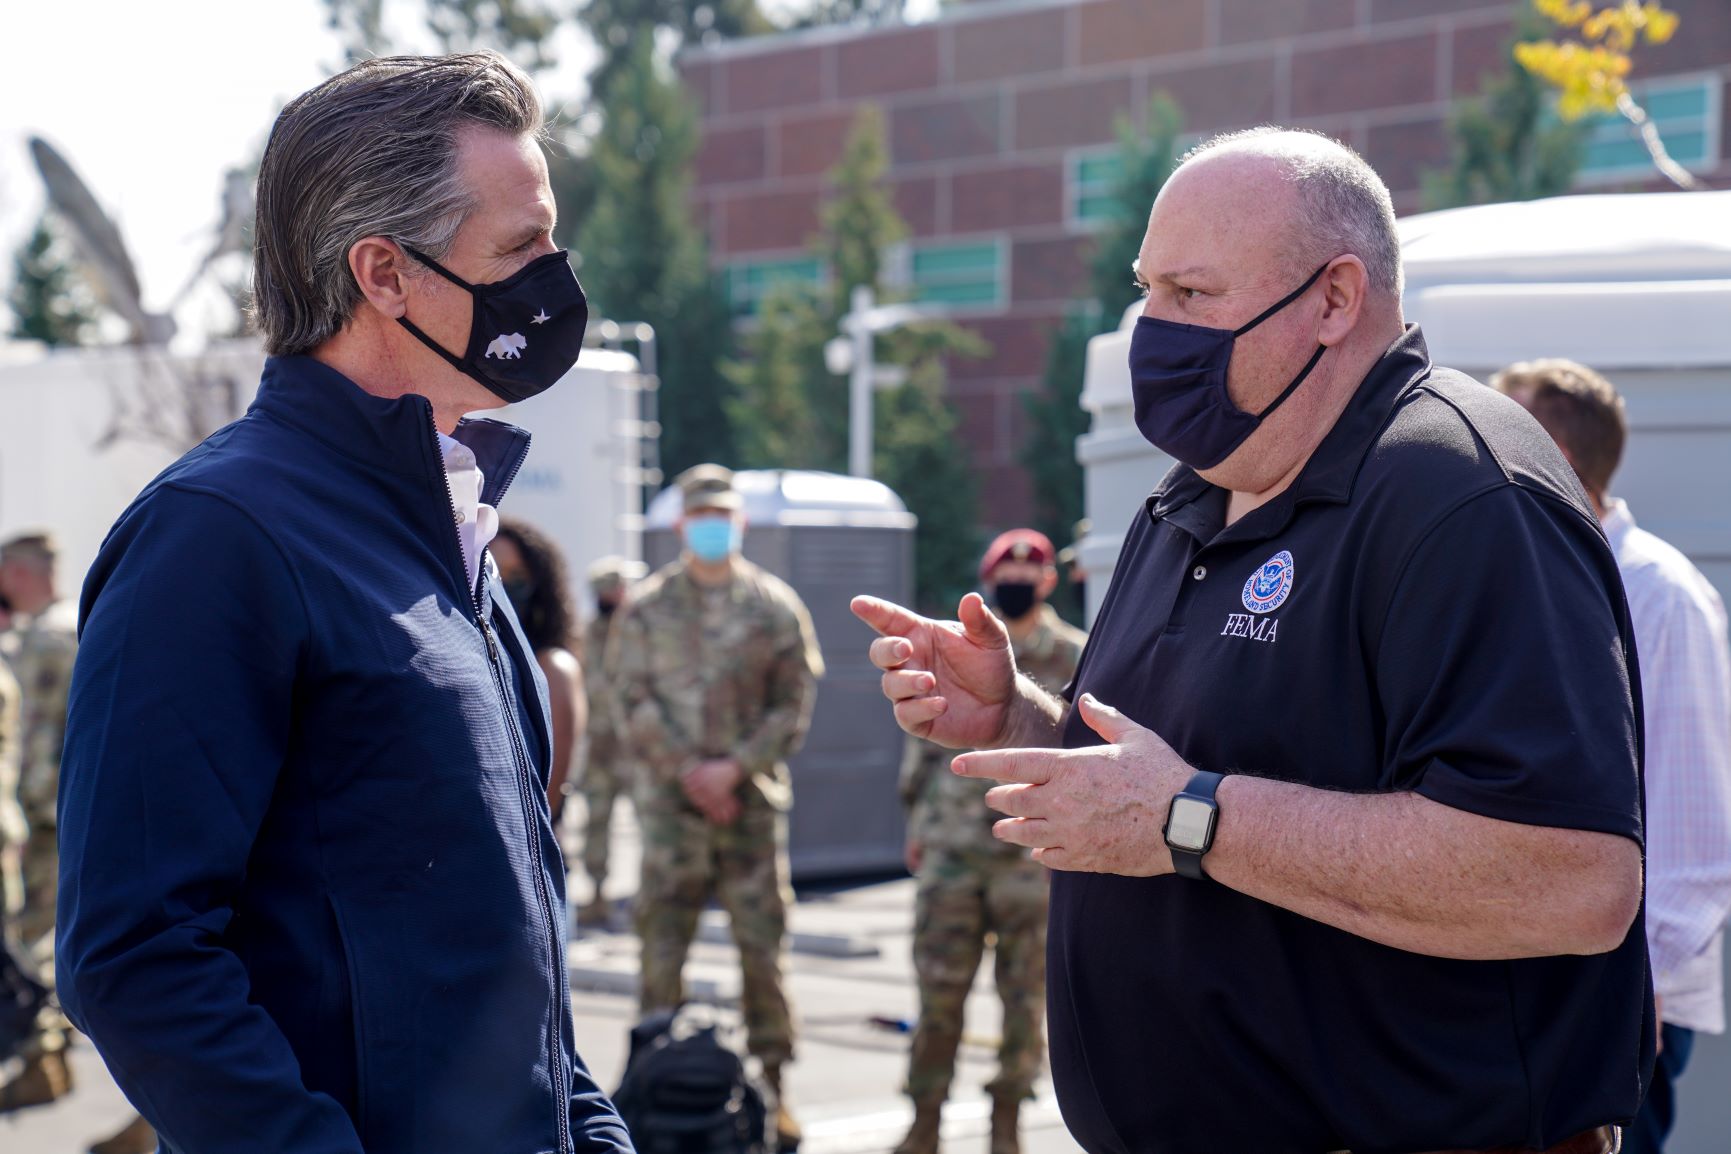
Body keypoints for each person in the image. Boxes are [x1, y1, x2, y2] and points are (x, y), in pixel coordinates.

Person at [854, 127, 1651, 1154]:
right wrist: (1021, 715)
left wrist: (1194, 819)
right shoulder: (1199, 488)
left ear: (1334, 298)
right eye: (1147, 291)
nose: (1153, 328)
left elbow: (1574, 878)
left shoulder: (1459, 491)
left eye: (1192, 294)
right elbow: (1184, 771)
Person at [55, 53, 631, 1154]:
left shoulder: (449, 530)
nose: (554, 281)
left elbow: (504, 952)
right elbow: (133, 955)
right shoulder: (216, 535)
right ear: (383, 272)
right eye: (519, 250)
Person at [1495, 358, 1731, 1154]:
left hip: (1627, 1005)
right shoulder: (1536, 578)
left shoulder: (1659, 592)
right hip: (1548, 991)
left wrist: (1631, 999)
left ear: (1551, 458)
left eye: (1502, 434)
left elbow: (1694, 842)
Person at [608, 464, 823, 1151]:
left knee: (763, 954)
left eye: (723, 515)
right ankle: (648, 1085)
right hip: (672, 813)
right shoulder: (646, 607)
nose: (712, 526)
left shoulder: (774, 606)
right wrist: (691, 774)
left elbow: (792, 702)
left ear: (738, 523)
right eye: (700, 515)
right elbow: (628, 697)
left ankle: (775, 1090)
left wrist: (733, 770)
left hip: (750, 811)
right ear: (681, 526)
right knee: (659, 950)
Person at [894, 529, 1086, 1154]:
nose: (1020, 581)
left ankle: (1007, 1125)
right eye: (1010, 570)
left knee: (1025, 997)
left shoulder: (1080, 653)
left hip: (1032, 856)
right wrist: (917, 826)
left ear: (1049, 581)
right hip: (952, 847)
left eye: (1033, 573)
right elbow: (922, 742)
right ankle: (925, 1121)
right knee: (938, 989)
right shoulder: (961, 648)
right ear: (990, 574)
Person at [0, 531, 77, 1113]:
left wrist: (27, 807)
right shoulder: (71, 624)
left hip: (42, 814)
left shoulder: (48, 638)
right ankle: (45, 1049)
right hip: (53, 812)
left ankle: (43, 1048)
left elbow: (39, 737)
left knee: (28, 938)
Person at [493, 517, 587, 820]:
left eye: (517, 576)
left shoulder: (552, 669)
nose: (504, 586)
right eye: (492, 573)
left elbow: (546, 798)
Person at [575, 555, 645, 927]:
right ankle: (598, 893)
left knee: (648, 818)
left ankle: (642, 897)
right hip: (601, 745)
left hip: (636, 746)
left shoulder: (640, 630)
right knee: (596, 820)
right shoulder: (587, 634)